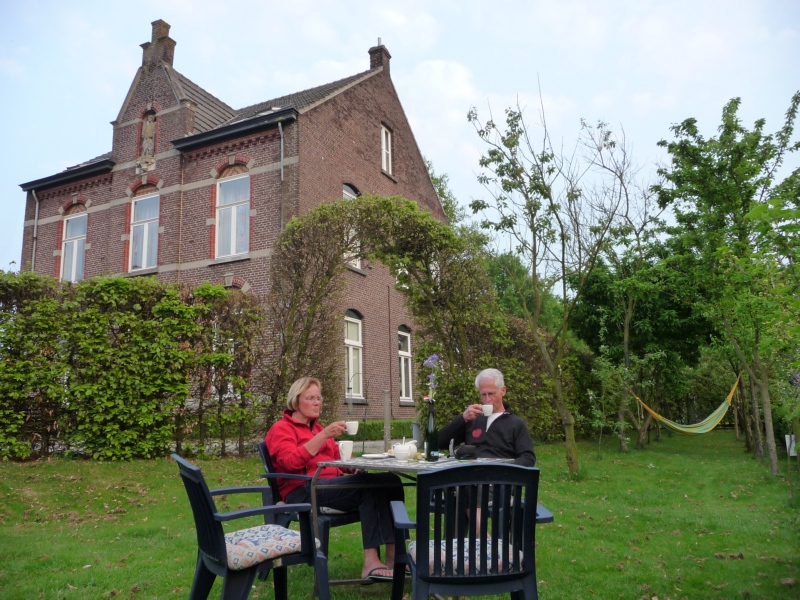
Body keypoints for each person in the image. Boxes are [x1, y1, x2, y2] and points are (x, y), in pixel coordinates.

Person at [265, 377, 403, 581]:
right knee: (369, 488)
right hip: (304, 490)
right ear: (296, 401)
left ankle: (395, 557)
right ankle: (371, 562)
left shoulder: (317, 428)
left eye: (318, 398)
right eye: (310, 398)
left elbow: (338, 458)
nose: (316, 402)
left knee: (391, 481)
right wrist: (324, 435)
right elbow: (289, 462)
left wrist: (352, 467)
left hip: (329, 487)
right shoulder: (282, 429)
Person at [439, 368, 536, 467]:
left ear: (503, 391)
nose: (487, 399)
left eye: (491, 394)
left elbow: (528, 458)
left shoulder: (516, 424)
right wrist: (462, 418)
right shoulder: (472, 420)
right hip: (471, 475)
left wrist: (505, 471)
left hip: (500, 476)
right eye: (483, 395)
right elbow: (439, 442)